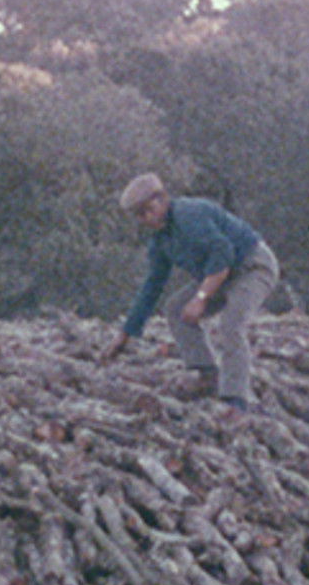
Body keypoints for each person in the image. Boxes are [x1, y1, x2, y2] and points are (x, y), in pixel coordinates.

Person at [103, 174, 279, 414]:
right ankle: (206, 373)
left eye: (148, 210)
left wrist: (201, 298)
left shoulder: (189, 214)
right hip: (221, 275)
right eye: (139, 215)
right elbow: (151, 288)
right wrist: (125, 335)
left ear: (163, 198)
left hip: (251, 266)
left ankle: (236, 400)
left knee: (231, 323)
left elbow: (223, 254)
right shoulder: (161, 241)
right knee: (175, 308)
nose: (146, 219)